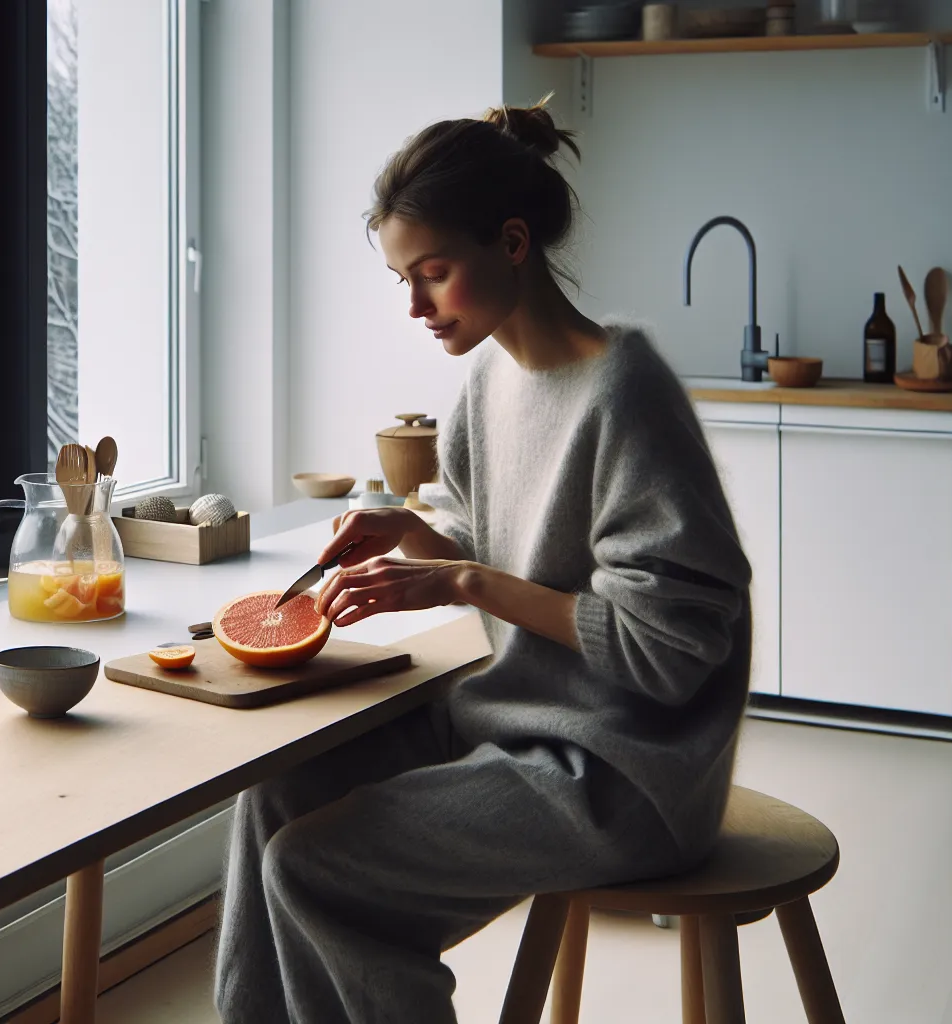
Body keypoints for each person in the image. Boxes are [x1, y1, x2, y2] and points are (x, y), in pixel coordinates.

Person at [214, 101, 754, 1024]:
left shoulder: (626, 394)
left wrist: (461, 580)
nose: (417, 307)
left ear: (512, 242)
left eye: (434, 274)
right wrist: (416, 537)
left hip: (624, 771)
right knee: (276, 792)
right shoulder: (488, 381)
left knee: (315, 869)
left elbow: (666, 652)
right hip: (509, 719)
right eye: (402, 280)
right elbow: (503, 549)